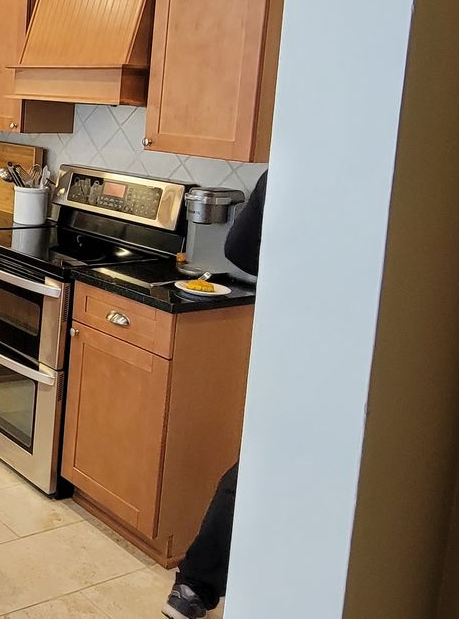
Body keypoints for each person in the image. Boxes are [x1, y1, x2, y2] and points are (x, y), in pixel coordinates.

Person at [164, 171, 265, 619]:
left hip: (302, 340)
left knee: (259, 466)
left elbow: (239, 250)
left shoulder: (288, 171)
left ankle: (194, 585)